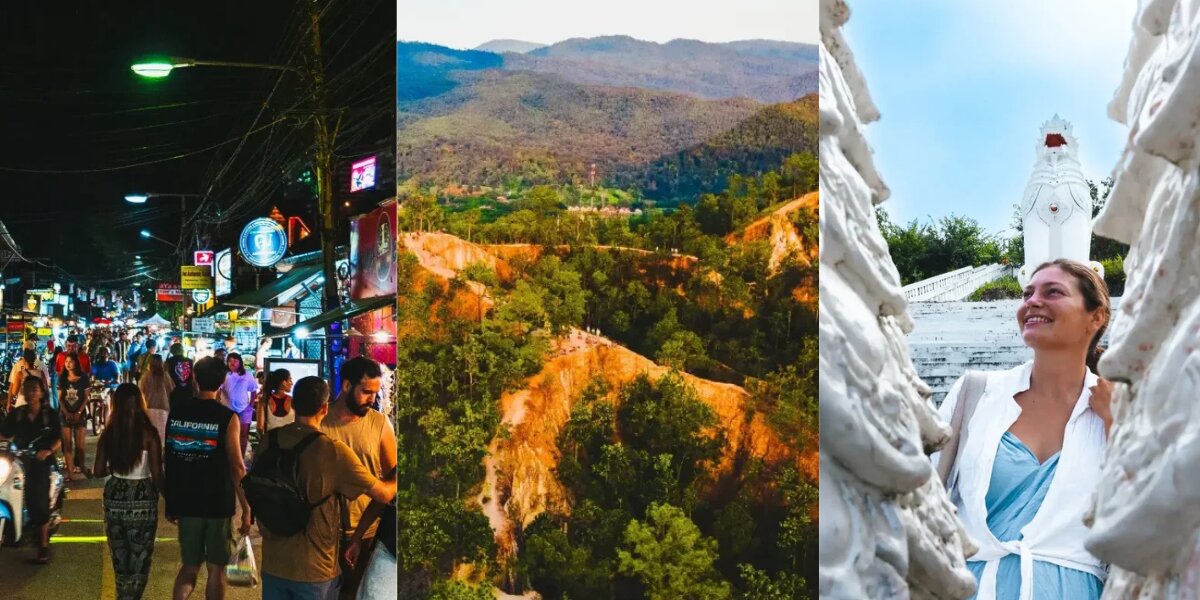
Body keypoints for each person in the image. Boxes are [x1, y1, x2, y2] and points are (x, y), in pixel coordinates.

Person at [933, 259, 1113, 599]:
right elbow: (923, 497)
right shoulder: (976, 392)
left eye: (1053, 292)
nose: (1032, 301)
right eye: (1027, 293)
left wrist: (1117, 425)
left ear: (1096, 316)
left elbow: (1150, 519)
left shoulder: (1119, 410)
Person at [257, 376, 397, 599]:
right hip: (315, 569)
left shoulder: (269, 441)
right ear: (324, 407)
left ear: (292, 404)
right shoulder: (332, 451)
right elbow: (383, 493)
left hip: (274, 564)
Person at [164, 357, 251, 600]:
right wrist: (246, 506)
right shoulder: (227, 418)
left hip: (186, 500)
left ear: (194, 379)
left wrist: (171, 500)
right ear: (223, 382)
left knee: (189, 566)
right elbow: (236, 466)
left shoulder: (177, 413)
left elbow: (169, 458)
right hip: (216, 502)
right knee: (216, 569)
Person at [320, 357, 397, 599]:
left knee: (355, 593)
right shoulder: (320, 421)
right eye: (365, 392)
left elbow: (392, 479)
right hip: (322, 530)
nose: (372, 399)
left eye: (375, 392)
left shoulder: (380, 423)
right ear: (345, 386)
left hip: (366, 531)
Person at [93, 383, 165, 599]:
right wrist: (171, 502)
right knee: (140, 558)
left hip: (115, 494)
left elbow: (97, 471)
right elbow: (157, 475)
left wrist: (115, 466)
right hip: (142, 494)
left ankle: (122, 595)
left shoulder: (109, 435)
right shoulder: (150, 434)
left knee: (119, 556)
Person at [0, 376, 62, 563]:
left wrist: (47, 450)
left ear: (42, 392)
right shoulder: (18, 414)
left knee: (38, 496)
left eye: (34, 389)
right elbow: (4, 433)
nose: (30, 393)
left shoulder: (49, 415)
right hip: (17, 460)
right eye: (27, 389)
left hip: (40, 462)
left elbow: (58, 440)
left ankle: (42, 545)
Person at [218, 353, 257, 463]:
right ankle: (228, 458)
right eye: (230, 360)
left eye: (235, 360)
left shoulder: (247, 375)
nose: (232, 362)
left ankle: (241, 458)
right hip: (227, 409)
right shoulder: (224, 375)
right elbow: (219, 390)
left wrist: (251, 405)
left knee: (243, 435)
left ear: (240, 362)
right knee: (227, 434)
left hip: (244, 409)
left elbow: (253, 390)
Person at [58, 353, 91, 479]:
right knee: (67, 445)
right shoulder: (62, 378)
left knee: (80, 445)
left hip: (80, 414)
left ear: (76, 363)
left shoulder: (83, 378)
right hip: (65, 414)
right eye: (66, 361)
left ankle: (81, 466)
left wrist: (78, 412)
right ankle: (70, 473)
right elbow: (60, 398)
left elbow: (86, 397)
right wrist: (66, 412)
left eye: (70, 361)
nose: (68, 364)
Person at [138, 354, 175, 448]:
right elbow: (171, 390)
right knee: (161, 437)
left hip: (149, 408)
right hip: (163, 408)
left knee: (150, 435)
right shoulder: (165, 376)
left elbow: (141, 391)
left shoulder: (146, 376)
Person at [256, 369, 294, 435]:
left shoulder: (264, 400)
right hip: (290, 441)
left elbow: (260, 427)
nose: (292, 383)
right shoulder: (293, 401)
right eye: (290, 380)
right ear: (283, 382)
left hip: (270, 441)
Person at [165, 343, 196, 410]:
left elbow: (166, 377)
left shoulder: (168, 361)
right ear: (182, 350)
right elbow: (193, 377)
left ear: (172, 351)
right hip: (187, 390)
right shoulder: (190, 361)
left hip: (174, 391)